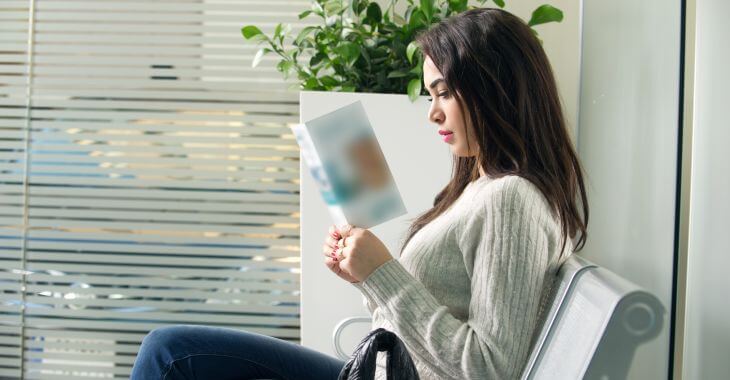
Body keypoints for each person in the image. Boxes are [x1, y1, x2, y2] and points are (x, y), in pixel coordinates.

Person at [130, 7, 588, 380]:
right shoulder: (480, 189)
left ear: (494, 90)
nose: (432, 114)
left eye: (444, 93)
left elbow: (490, 369)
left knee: (171, 354)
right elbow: (425, 319)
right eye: (431, 95)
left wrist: (384, 273)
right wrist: (366, 277)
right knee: (171, 350)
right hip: (382, 369)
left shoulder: (511, 200)